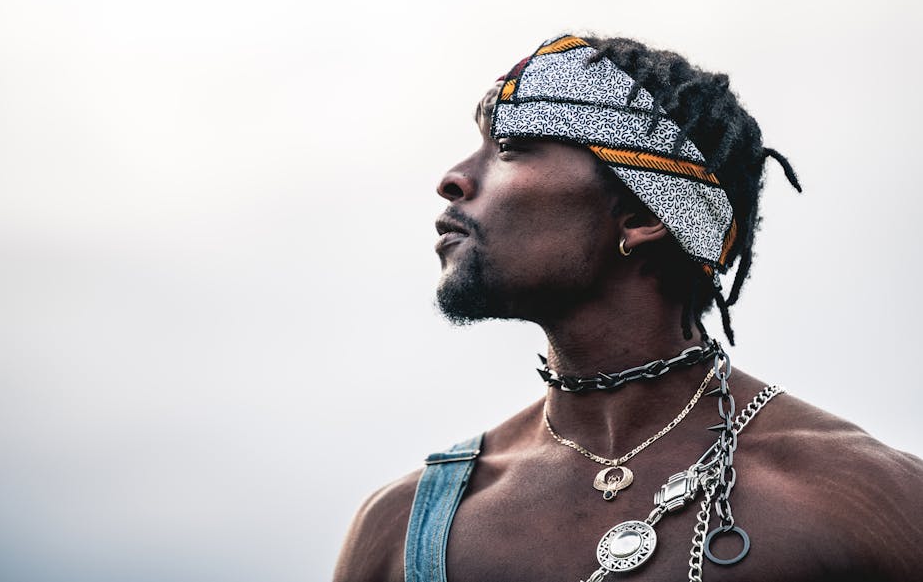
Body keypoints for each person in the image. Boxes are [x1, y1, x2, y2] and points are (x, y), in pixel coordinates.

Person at [333, 34, 923, 582]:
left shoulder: (865, 501)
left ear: (642, 217)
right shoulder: (404, 528)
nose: (454, 179)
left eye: (510, 146)